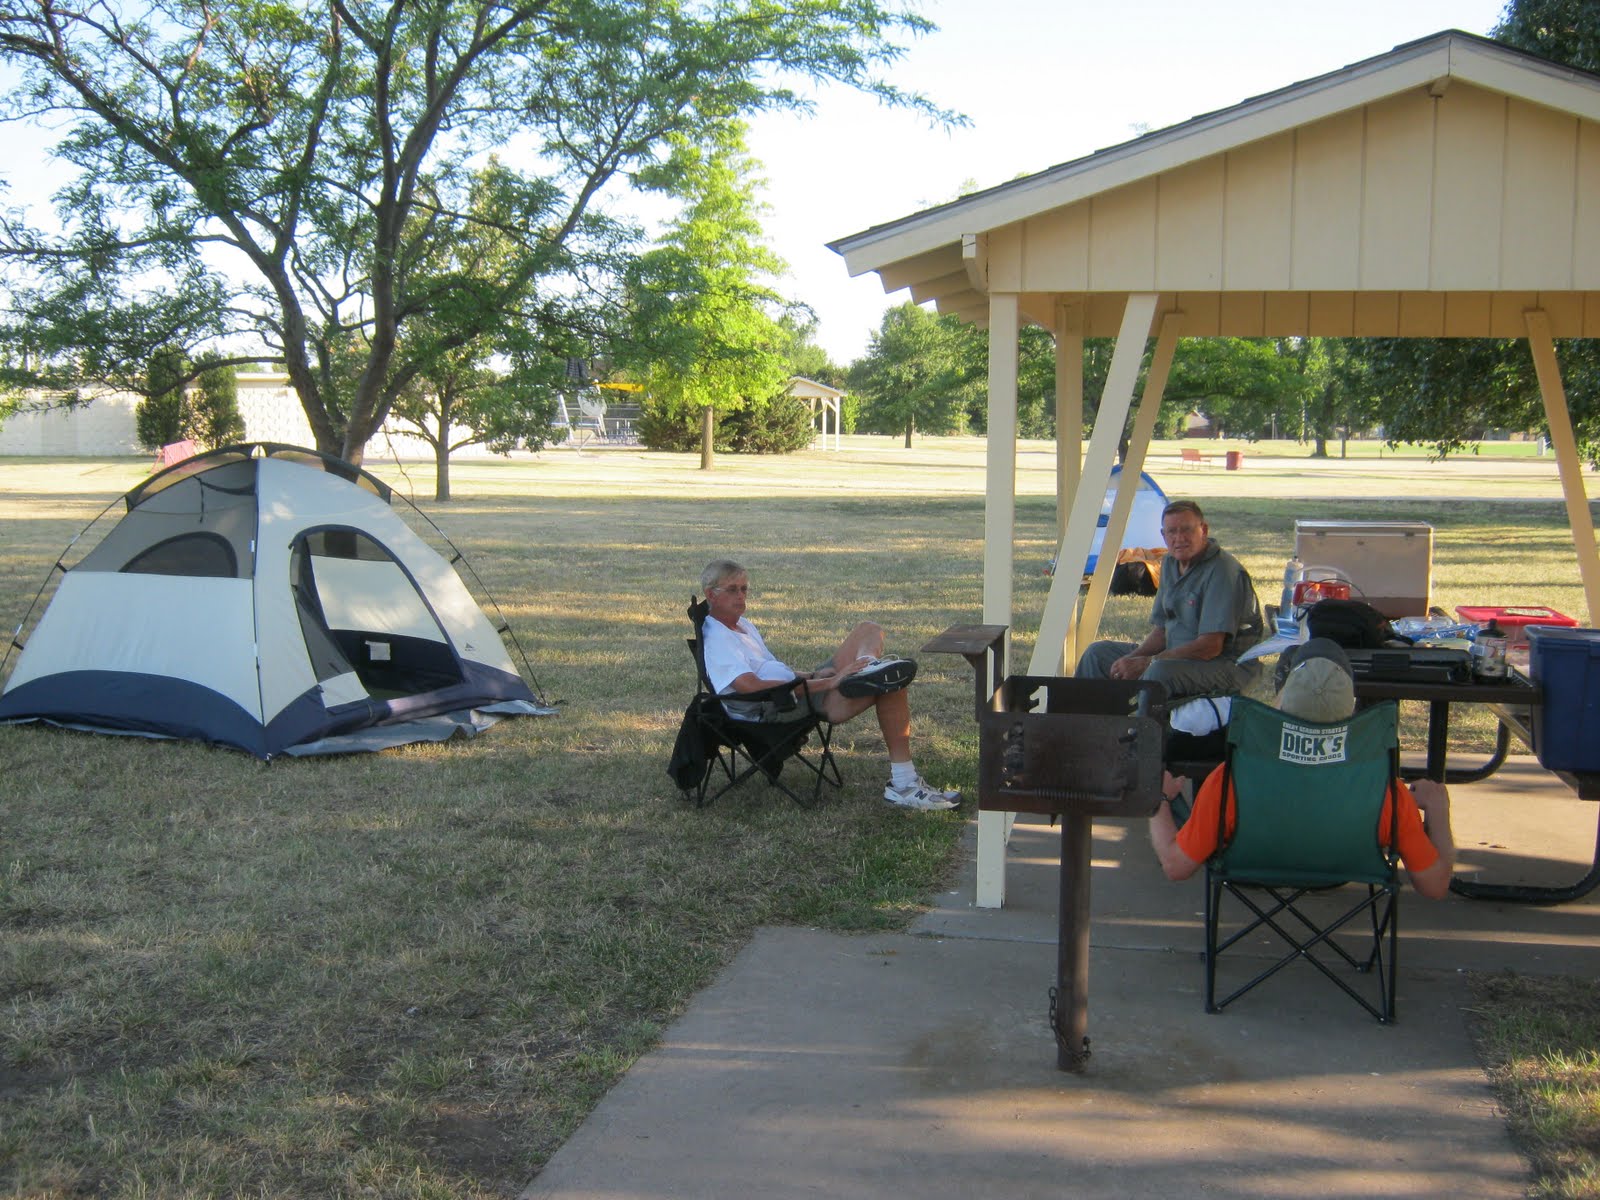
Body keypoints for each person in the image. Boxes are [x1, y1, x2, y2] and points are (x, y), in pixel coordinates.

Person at [1147, 638, 1457, 899]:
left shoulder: (1233, 780)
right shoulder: (1381, 789)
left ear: (1281, 703)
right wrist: (1437, 807)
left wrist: (1159, 799)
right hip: (1344, 870)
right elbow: (1435, 885)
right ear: (1352, 707)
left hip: (1255, 868)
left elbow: (1175, 866)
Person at [698, 559, 959, 812]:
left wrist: (812, 674)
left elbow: (766, 666)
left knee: (869, 629)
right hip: (775, 709)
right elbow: (754, 688)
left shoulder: (741, 624)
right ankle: (903, 785)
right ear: (711, 594)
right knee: (891, 684)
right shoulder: (718, 638)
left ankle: (869, 666)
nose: (741, 596)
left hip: (799, 689)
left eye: (744, 589)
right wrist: (829, 682)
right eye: (732, 590)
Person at [1075, 499, 1263, 703]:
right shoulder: (1170, 563)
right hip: (1175, 655)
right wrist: (1131, 659)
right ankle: (1083, 719)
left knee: (1158, 673)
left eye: (1187, 530)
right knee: (1097, 654)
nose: (1179, 538)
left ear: (1203, 530)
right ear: (1163, 535)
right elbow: (1162, 631)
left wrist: (1147, 662)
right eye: (1172, 532)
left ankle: (1142, 723)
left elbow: (1210, 647)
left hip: (1226, 665)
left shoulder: (1223, 571)